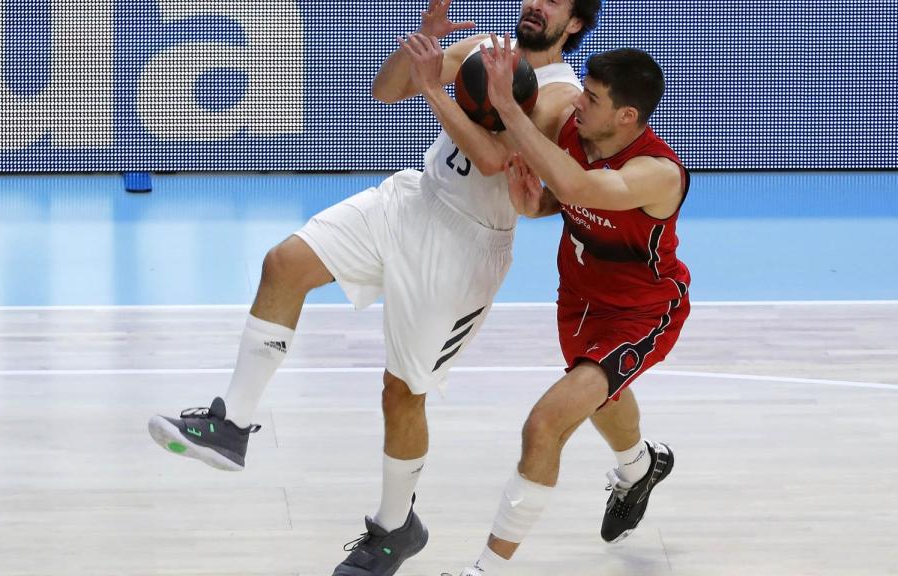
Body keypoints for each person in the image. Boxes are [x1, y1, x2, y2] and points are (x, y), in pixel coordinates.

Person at [146, 1, 600, 575]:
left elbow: (493, 160)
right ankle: (231, 425)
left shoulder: (562, 96)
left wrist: (435, 91)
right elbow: (388, 92)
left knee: (401, 393)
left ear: (576, 23)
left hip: (465, 247)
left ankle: (394, 528)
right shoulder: (480, 46)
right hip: (412, 199)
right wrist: (422, 47)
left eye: (555, 1)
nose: (536, 4)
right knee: (284, 263)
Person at [453, 40, 690, 576]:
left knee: (544, 425)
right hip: (580, 301)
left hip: (640, 312)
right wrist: (531, 205)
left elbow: (578, 185)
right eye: (583, 90)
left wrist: (507, 107)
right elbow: (561, 198)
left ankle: (484, 570)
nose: (578, 103)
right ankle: (639, 466)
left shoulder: (658, 172)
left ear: (627, 115)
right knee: (602, 395)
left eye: (593, 97)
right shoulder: (576, 135)